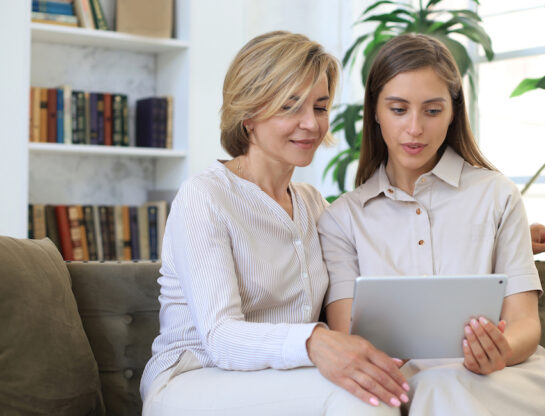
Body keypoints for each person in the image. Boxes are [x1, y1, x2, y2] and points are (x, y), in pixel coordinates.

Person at [140, 31, 410, 416]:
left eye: (319, 107)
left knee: (403, 384)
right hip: (193, 378)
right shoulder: (205, 196)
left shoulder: (314, 205)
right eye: (290, 107)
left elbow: (389, 248)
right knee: (367, 401)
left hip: (282, 376)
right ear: (248, 115)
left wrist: (514, 240)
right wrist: (316, 342)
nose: (311, 125)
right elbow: (220, 337)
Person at [318, 33, 545, 415]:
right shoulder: (342, 220)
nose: (415, 128)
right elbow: (350, 339)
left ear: (453, 113)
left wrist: (499, 352)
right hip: (399, 389)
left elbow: (524, 325)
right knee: (431, 389)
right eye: (398, 109)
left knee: (440, 389)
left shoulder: (497, 196)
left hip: (498, 383)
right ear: (375, 112)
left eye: (432, 111)